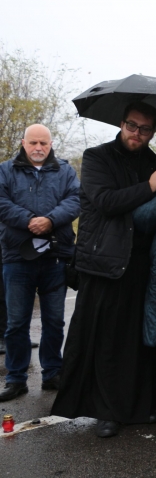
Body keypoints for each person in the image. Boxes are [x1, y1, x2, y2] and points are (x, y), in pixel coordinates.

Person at [52, 101, 156, 438]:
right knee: (101, 340)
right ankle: (103, 411)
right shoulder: (96, 158)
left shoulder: (154, 164)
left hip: (137, 263)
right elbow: (105, 202)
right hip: (101, 262)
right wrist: (150, 186)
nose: (138, 133)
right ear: (122, 124)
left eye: (145, 129)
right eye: (132, 126)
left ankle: (128, 407)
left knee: (132, 343)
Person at [0, 124, 80, 402]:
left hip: (55, 256)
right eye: (33, 142)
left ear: (50, 144)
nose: (38, 148)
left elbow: (76, 200)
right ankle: (16, 378)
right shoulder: (5, 170)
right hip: (16, 257)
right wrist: (28, 220)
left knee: (55, 321)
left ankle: (52, 372)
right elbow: (1, 202)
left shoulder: (66, 171)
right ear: (23, 143)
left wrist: (51, 219)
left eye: (43, 143)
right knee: (16, 322)